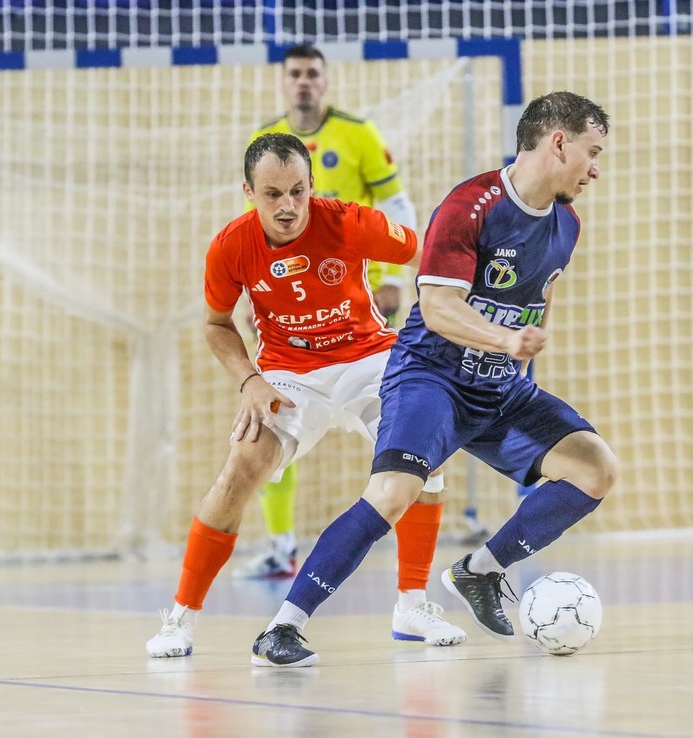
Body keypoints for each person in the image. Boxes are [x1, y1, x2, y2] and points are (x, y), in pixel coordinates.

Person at [251, 92, 619, 668]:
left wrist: (519, 349)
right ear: (558, 142)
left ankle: (481, 571)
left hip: (501, 389)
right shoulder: (470, 206)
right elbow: (440, 307)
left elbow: (539, 297)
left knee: (594, 467)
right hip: (433, 378)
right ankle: (283, 627)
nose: (596, 167)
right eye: (592, 152)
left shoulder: (566, 225)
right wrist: (504, 340)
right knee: (395, 494)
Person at [145, 133, 466, 658]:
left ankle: (411, 605)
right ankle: (180, 619)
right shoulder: (231, 246)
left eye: (298, 191)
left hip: (367, 360)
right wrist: (250, 380)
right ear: (248, 192)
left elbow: (427, 252)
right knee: (236, 474)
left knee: (426, 457)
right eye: (272, 194)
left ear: (312, 185)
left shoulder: (347, 221)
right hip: (288, 375)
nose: (288, 206)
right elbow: (215, 323)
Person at [234, 43, 426, 581]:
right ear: (282, 82)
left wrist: (392, 280)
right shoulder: (264, 141)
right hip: (287, 311)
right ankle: (279, 545)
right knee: (269, 419)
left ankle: (408, 579)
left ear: (325, 81)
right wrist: (252, 294)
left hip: (353, 307)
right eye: (294, 73)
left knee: (405, 426)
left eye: (312, 73)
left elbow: (397, 210)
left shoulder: (357, 135)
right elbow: (251, 228)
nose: (303, 82)